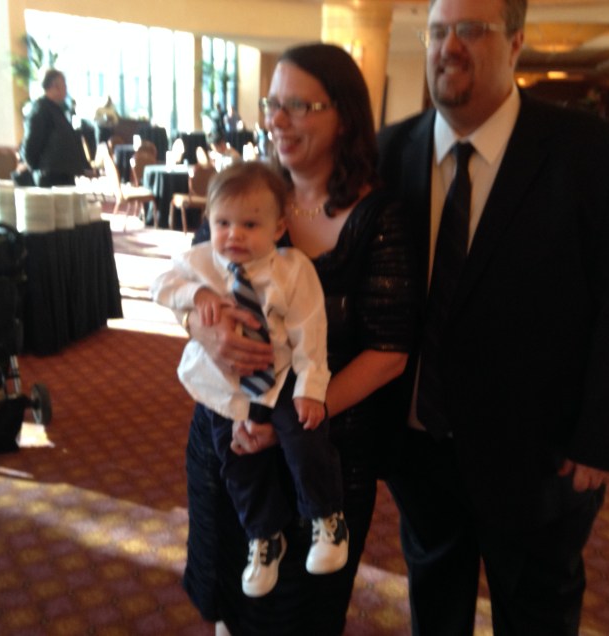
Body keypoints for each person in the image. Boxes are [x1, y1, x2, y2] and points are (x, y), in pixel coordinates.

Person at [376, 0, 609, 634]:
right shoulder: (388, 153)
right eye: (437, 31)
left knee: (537, 613)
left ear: (515, 44)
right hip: (418, 447)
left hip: (540, 459)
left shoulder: (600, 158)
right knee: (433, 604)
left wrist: (605, 437)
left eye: (470, 30)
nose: (449, 46)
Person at [181, 43, 420, 635]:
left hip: (318, 450)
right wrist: (204, 331)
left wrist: (289, 419)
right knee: (229, 590)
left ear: (344, 115)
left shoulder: (380, 216)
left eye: (298, 106)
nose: (277, 120)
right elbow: (191, 282)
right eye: (272, 105)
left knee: (298, 614)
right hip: (227, 432)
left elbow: (389, 354)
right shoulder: (248, 192)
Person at [151, 161, 348, 599]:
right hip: (224, 384)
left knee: (303, 433)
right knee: (235, 455)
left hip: (280, 375)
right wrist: (197, 294)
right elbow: (160, 284)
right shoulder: (201, 261)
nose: (234, 235)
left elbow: (310, 333)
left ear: (278, 228)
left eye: (250, 225)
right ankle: (265, 536)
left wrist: (311, 390)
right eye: (223, 223)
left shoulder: (292, 270)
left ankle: (327, 517)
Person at [19, 69, 89, 187]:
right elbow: (31, 145)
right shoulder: (40, 109)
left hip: (63, 174)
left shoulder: (56, 109)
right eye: (64, 84)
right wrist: (36, 167)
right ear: (54, 86)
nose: (66, 88)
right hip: (49, 176)